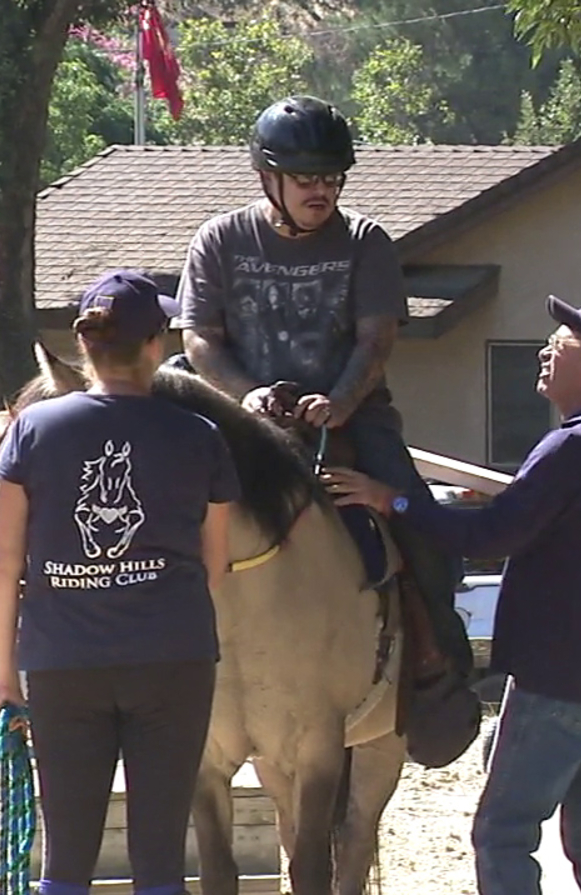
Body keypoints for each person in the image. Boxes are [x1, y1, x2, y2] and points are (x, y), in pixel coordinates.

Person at [323, 296, 581, 895]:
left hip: (558, 682)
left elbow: (492, 535)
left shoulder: (570, 449)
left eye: (559, 345)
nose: (544, 352)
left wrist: (395, 502)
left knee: (503, 834)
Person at [175, 93, 473, 682]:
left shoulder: (366, 241)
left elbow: (376, 340)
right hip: (243, 416)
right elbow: (199, 340)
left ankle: (439, 665)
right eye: (306, 178)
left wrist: (340, 401)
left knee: (425, 529)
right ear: (267, 178)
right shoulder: (219, 240)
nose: (322, 190)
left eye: (332, 177)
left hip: (349, 415)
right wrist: (245, 394)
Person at [0, 269, 240, 895]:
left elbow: (0, 565)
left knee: (65, 859)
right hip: (171, 659)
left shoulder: (33, 431)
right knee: (159, 860)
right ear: (156, 346)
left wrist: (4, 679)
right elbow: (215, 565)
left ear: (86, 348)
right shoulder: (200, 436)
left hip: (64, 663)